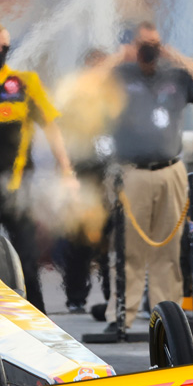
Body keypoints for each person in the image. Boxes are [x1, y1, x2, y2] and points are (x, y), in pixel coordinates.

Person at [101, 21, 193, 330]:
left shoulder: (177, 77)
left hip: (170, 170)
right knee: (129, 247)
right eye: (145, 45)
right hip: (133, 171)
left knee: (168, 248)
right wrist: (120, 56)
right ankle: (121, 316)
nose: (149, 51)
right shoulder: (120, 75)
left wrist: (178, 57)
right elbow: (87, 86)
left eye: (154, 45)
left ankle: (167, 316)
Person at [0, 22, 77, 313]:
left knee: (26, 252)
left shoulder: (25, 83)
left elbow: (51, 127)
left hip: (18, 183)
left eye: (3, 48)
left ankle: (36, 314)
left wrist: (66, 168)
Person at [56, 49, 114, 314]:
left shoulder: (116, 98)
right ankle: (76, 296)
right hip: (83, 174)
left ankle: (112, 296)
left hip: (111, 176)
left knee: (109, 240)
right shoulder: (74, 100)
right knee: (79, 239)